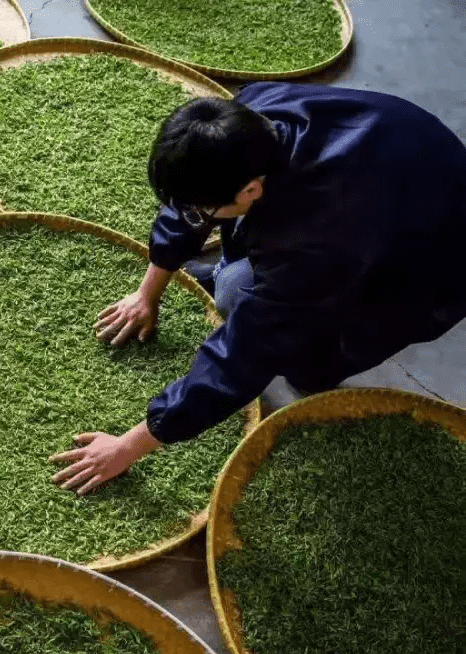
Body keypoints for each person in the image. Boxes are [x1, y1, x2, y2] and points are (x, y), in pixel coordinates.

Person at [49, 82, 466, 496]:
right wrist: (147, 294)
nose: (196, 214)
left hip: (431, 261)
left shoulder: (320, 236)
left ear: (250, 189)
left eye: (203, 208)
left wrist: (127, 446)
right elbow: (188, 209)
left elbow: (247, 354)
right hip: (393, 167)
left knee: (311, 349)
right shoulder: (247, 116)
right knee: (235, 283)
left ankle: (317, 370)